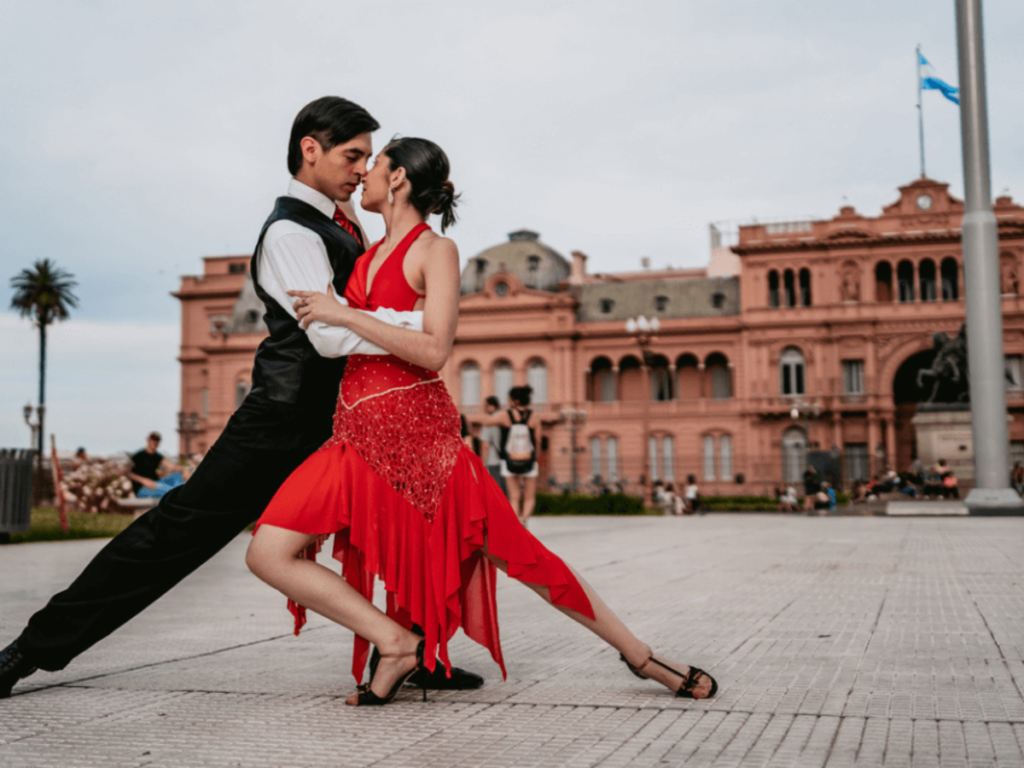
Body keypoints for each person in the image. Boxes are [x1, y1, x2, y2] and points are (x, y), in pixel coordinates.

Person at [0, 97, 480, 699]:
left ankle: (421, 654)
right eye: (352, 155)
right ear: (311, 149)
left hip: (347, 414)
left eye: (368, 158)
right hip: (283, 419)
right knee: (177, 531)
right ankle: (28, 651)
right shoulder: (288, 231)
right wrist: (425, 328)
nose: (363, 170)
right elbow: (329, 336)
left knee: (407, 524)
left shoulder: (347, 222)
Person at [245, 136, 717, 707]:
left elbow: (434, 349)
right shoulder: (365, 256)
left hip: (426, 444)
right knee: (268, 551)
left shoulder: (435, 250)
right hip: (356, 440)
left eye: (375, 164)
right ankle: (395, 642)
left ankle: (643, 657)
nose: (364, 174)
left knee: (529, 560)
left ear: (397, 179)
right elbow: (341, 335)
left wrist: (347, 313)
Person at [473, 385, 553, 527]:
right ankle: (524, 520)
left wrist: (494, 416)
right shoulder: (535, 417)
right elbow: (538, 440)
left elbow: (486, 422)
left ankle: (516, 524)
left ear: (514, 400)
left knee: (514, 496)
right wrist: (536, 457)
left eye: (509, 399)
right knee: (529, 496)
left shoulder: (505, 415)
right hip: (529, 460)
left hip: (509, 460)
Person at [126, 432, 186, 499]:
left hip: (156, 484)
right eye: (153, 440)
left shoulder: (157, 456)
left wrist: (184, 471)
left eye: (157, 440)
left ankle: (180, 495)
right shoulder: (139, 455)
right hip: (143, 488)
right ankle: (180, 497)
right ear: (148, 440)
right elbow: (128, 473)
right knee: (170, 491)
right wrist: (144, 480)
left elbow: (171, 467)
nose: (155, 442)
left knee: (177, 475)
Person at [478, 396, 507, 496]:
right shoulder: (506, 419)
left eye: (486, 406)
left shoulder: (489, 421)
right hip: (508, 460)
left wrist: (482, 464)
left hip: (493, 461)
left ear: (492, 406)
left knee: (495, 492)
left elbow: (485, 445)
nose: (484, 409)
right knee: (507, 492)